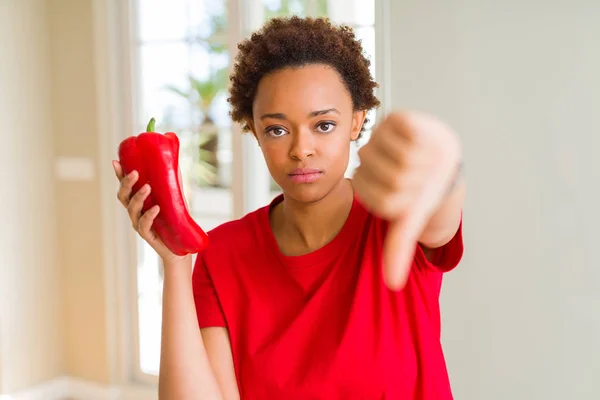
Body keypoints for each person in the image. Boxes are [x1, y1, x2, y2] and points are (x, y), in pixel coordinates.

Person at [113, 16, 465, 400]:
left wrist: (445, 171)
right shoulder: (222, 253)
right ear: (255, 131)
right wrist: (176, 264)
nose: (301, 149)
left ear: (356, 121)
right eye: (277, 129)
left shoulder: (396, 219)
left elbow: (438, 213)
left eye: (324, 125)